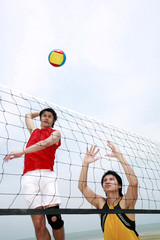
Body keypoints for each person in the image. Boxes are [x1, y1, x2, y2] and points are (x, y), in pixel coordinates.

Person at [4, 108, 65, 240]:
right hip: (29, 178)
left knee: (55, 219)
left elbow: (45, 143)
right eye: (44, 116)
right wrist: (42, 112)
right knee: (38, 224)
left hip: (47, 175)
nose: (46, 118)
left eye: (50, 117)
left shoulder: (56, 133)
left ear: (54, 120)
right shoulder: (34, 131)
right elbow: (28, 115)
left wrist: (23, 151)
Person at [78, 141, 140, 240]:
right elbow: (82, 187)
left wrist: (120, 156)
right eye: (105, 180)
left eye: (111, 179)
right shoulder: (101, 203)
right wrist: (85, 163)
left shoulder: (126, 201)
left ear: (119, 185)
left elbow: (133, 183)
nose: (107, 182)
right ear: (103, 187)